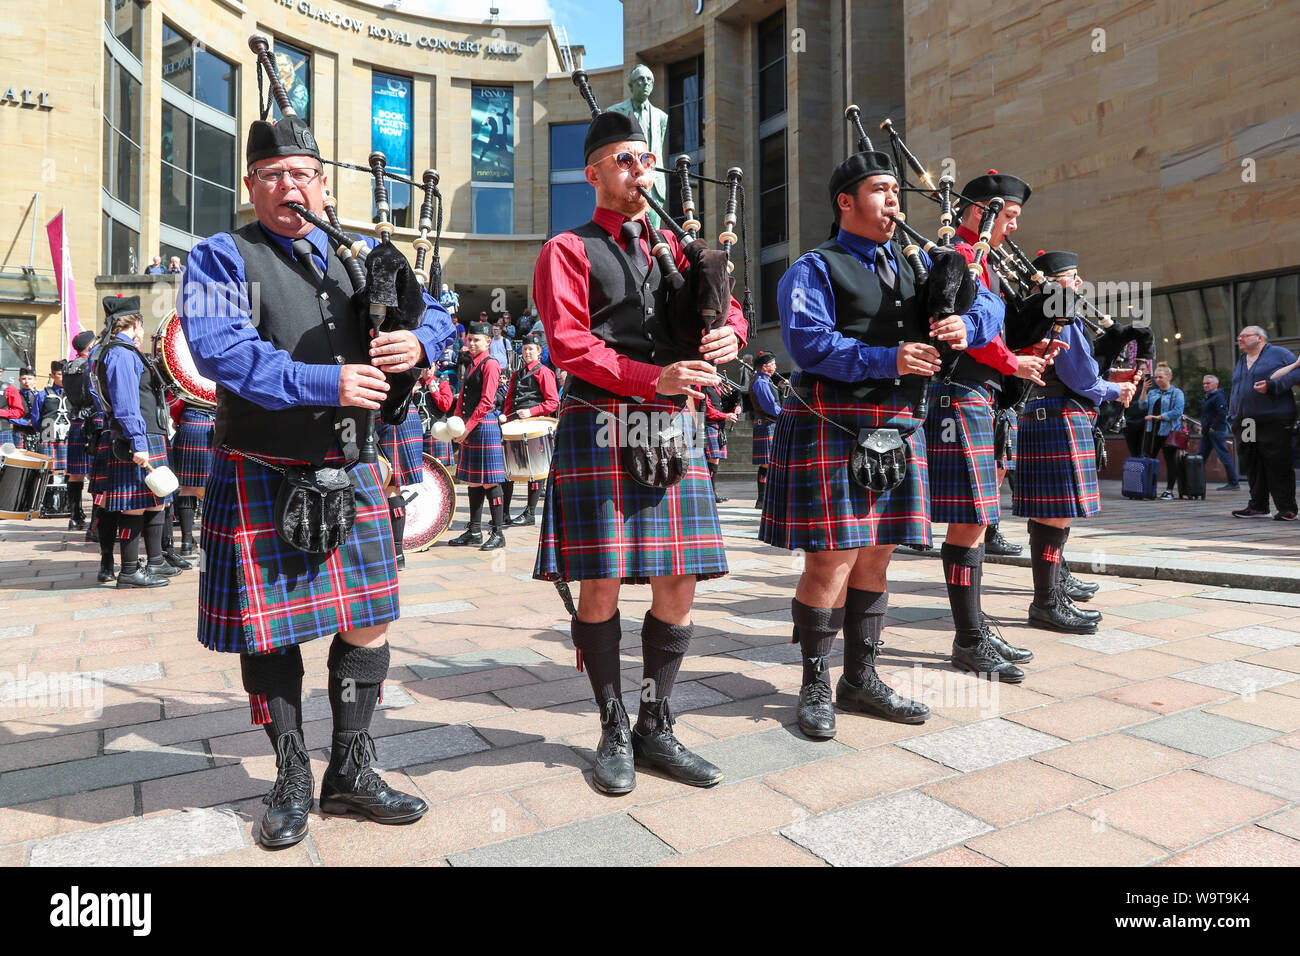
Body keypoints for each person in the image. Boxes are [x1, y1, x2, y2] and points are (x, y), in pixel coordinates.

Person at [180, 107, 451, 848]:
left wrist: (415, 342)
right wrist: (324, 382)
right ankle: (293, 771)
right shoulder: (219, 257)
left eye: (302, 174)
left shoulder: (360, 255)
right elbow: (219, 352)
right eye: (273, 176)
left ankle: (353, 770)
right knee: (271, 636)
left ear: (324, 186)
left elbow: (444, 319)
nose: (289, 187)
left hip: (352, 466)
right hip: (263, 467)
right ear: (251, 186)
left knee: (369, 617)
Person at [533, 108, 746, 794]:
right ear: (594, 173)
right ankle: (611, 723)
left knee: (679, 579)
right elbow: (570, 344)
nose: (639, 170)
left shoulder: (675, 244)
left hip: (674, 423)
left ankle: (655, 724)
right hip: (605, 422)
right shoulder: (568, 248)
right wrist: (651, 377)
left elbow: (726, 305)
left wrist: (730, 337)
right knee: (599, 581)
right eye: (624, 160)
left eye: (644, 159)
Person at [760, 148, 1000, 739]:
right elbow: (809, 345)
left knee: (878, 551)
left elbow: (991, 306)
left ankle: (860, 678)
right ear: (845, 201)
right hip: (837, 420)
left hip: (897, 422)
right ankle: (815, 681)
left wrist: (966, 324)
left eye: (897, 191)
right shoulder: (814, 268)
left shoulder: (920, 265)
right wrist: (888, 357)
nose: (893, 201)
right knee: (833, 556)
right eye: (879, 190)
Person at [930, 170, 1046, 678]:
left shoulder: (988, 264)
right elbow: (966, 332)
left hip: (981, 395)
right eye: (1009, 217)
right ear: (980, 211)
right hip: (960, 393)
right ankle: (969, 638)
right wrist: (1011, 362)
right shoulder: (957, 257)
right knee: (969, 518)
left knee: (976, 519)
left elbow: (997, 326)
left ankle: (974, 631)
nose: (1013, 229)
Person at [1013, 251, 1137, 634]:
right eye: (1072, 276)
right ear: (1049, 282)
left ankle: (1052, 594)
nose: (1080, 283)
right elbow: (1081, 377)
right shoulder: (1058, 316)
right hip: (1059, 417)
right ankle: (1046, 603)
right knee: (1056, 514)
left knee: (1048, 514)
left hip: (1040, 415)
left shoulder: (1037, 312)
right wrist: (1119, 389)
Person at [92, 297, 179, 588]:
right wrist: (137, 441)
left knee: (155, 501)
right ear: (136, 324)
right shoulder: (120, 354)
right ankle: (129, 570)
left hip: (148, 433)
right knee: (133, 505)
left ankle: (153, 562)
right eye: (142, 326)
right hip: (136, 436)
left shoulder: (128, 352)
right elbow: (126, 403)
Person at [448, 321, 508, 550]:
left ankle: (498, 532)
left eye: (477, 340)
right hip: (470, 427)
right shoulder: (471, 363)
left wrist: (466, 428)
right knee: (473, 480)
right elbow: (462, 397)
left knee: (490, 481)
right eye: (469, 339)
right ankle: (474, 531)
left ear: (488, 342)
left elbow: (487, 401)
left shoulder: (490, 364)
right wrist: (456, 424)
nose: (472, 343)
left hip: (484, 426)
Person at [1231, 326, 1300, 519]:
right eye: (1239, 336)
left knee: (1277, 462)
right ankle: (1258, 506)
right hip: (1245, 422)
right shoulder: (1242, 359)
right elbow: (1237, 389)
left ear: (1260, 338)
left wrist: (1273, 386)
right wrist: (1232, 416)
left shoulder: (1279, 354)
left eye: (1245, 335)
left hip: (1273, 419)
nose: (1240, 338)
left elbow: (1298, 371)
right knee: (1252, 462)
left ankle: (1287, 508)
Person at [500, 334, 558, 526]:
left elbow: (552, 402)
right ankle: (504, 513)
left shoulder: (545, 373)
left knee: (535, 469)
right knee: (508, 469)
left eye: (531, 349)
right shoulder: (516, 374)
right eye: (525, 349)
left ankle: (530, 513)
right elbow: (509, 400)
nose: (527, 352)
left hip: (536, 425)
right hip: (515, 425)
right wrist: (505, 419)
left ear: (539, 352)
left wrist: (531, 411)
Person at [377, 392, 427, 569]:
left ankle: (396, 552)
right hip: (399, 414)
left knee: (391, 485)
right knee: (390, 485)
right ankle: (396, 552)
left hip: (394, 417)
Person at [62, 329, 99, 530]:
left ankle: (75, 516)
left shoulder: (68, 366)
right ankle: (96, 519)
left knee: (75, 472)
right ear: (90, 346)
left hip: (76, 420)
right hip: (92, 420)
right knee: (95, 473)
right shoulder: (91, 365)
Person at [169, 396, 214, 556]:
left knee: (187, 488)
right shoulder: (218, 373)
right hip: (213, 428)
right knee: (213, 488)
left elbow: (174, 403)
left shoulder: (187, 374)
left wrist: (177, 418)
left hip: (189, 426)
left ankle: (187, 541)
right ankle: (210, 540)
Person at [1143, 363, 1186, 500]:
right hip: (1152, 431)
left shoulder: (1177, 393)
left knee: (1170, 460)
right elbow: (1142, 406)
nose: (1157, 380)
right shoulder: (1152, 392)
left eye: (1160, 377)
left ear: (1169, 377)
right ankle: (1147, 488)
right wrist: (1144, 390)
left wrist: (1158, 417)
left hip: (1169, 432)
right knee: (1149, 459)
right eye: (1156, 377)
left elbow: (1177, 411)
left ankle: (1169, 491)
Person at [749, 351, 782, 509]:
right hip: (767, 423)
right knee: (767, 463)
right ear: (765, 366)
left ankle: (764, 499)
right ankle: (762, 500)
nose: (776, 366)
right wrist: (785, 414)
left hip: (768, 423)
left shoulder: (765, 380)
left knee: (768, 463)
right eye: (773, 363)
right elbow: (769, 406)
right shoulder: (761, 382)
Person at [1200, 374, 1239, 490]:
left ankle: (1234, 483)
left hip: (1215, 431)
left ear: (1216, 384)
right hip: (1208, 431)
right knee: (1201, 456)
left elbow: (1221, 414)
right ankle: (1196, 481)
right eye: (1204, 383)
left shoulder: (1218, 396)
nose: (1205, 385)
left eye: (1208, 383)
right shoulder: (1210, 396)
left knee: (1223, 456)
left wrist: (1213, 427)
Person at [701, 383, 739, 502]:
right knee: (712, 458)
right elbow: (708, 410)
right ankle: (709, 493)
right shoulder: (703, 387)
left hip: (718, 425)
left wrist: (737, 405)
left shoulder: (717, 387)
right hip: (708, 424)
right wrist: (725, 416)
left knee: (715, 459)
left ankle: (712, 492)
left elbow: (723, 403)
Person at [35, 360, 72, 479]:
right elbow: (36, 419)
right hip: (48, 434)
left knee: (70, 470)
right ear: (52, 375)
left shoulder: (74, 393)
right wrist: (45, 431)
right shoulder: (42, 394)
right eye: (60, 374)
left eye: (66, 374)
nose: (63, 377)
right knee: (48, 470)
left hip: (68, 436)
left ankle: (67, 497)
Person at [10, 366, 40, 451]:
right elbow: (8, 416)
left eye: (30, 379)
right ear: (19, 380)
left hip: (37, 433)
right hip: (20, 432)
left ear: (35, 380)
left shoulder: (40, 395)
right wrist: (26, 422)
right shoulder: (13, 395)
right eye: (23, 378)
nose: (26, 382)